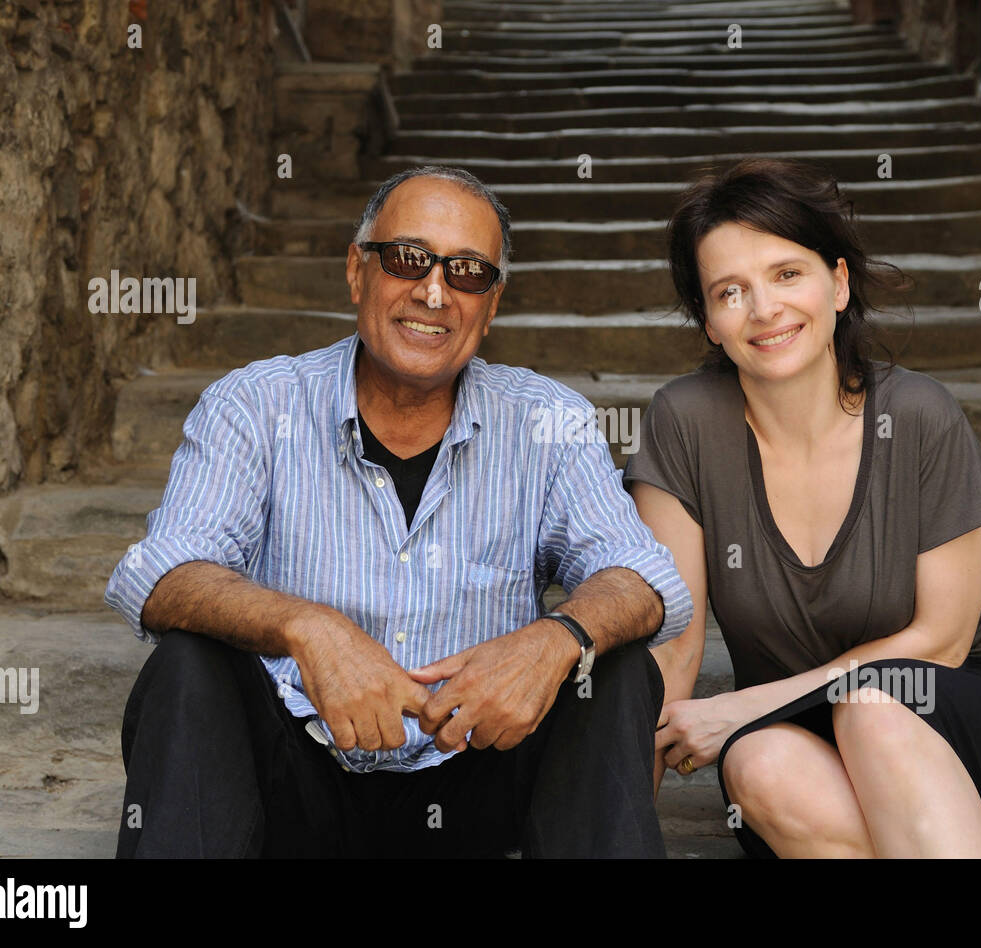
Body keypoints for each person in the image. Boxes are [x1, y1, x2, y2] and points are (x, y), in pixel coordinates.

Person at [104, 165, 693, 858]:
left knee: (612, 670)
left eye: (469, 271)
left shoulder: (547, 421)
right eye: (408, 259)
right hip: (294, 780)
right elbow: (163, 573)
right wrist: (307, 628)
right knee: (188, 664)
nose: (435, 291)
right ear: (358, 271)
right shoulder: (257, 405)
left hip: (475, 777)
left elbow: (642, 580)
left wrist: (556, 638)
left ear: (492, 303)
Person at [623, 158, 981, 858]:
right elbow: (673, 647)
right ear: (709, 321)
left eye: (787, 274)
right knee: (752, 764)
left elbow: (941, 642)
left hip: (956, 714)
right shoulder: (685, 423)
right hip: (798, 739)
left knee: (874, 704)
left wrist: (743, 705)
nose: (764, 310)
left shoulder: (920, 416)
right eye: (730, 291)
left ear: (839, 283)